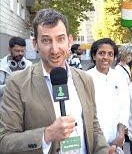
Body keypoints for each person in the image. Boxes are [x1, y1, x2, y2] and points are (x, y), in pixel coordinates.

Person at [0, 8, 111, 153]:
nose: (54, 49)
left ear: (69, 40)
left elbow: (94, 126)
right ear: (35, 44)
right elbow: (5, 141)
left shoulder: (85, 79)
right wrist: (46, 135)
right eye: (46, 40)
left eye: (60, 39)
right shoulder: (17, 83)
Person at [87, 38, 129, 153]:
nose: (106, 57)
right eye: (101, 53)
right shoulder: (86, 78)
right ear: (94, 56)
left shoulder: (119, 77)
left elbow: (124, 107)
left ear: (114, 57)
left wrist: (120, 135)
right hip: (93, 142)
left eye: (110, 54)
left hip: (116, 141)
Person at [0, 36, 32, 103]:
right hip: (6, 107)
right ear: (9, 49)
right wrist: (12, 85)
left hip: (25, 106)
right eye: (17, 51)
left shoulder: (29, 65)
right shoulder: (2, 65)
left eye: (22, 51)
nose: (20, 53)